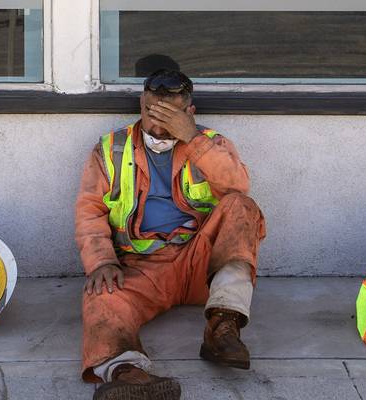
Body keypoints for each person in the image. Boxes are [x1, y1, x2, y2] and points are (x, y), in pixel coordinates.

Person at [75, 69, 266, 400]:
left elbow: (238, 185)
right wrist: (102, 261)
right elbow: (90, 210)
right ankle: (128, 373)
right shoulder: (111, 148)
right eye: (152, 112)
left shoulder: (211, 142)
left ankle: (223, 328)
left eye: (170, 115)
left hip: (199, 263)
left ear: (189, 111)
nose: (158, 124)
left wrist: (191, 137)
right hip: (141, 267)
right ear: (141, 104)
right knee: (100, 294)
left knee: (241, 207)